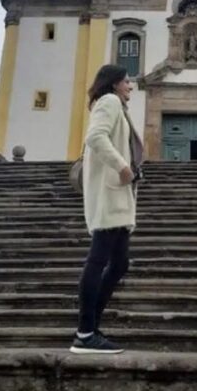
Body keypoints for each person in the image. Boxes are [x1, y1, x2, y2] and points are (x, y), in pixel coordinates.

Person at [69, 64, 144, 354]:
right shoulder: (110, 102)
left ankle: (90, 327)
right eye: (126, 81)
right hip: (110, 194)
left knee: (119, 263)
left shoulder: (115, 105)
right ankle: (85, 332)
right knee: (99, 260)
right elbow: (95, 137)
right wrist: (122, 166)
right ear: (113, 84)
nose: (130, 86)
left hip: (118, 196)